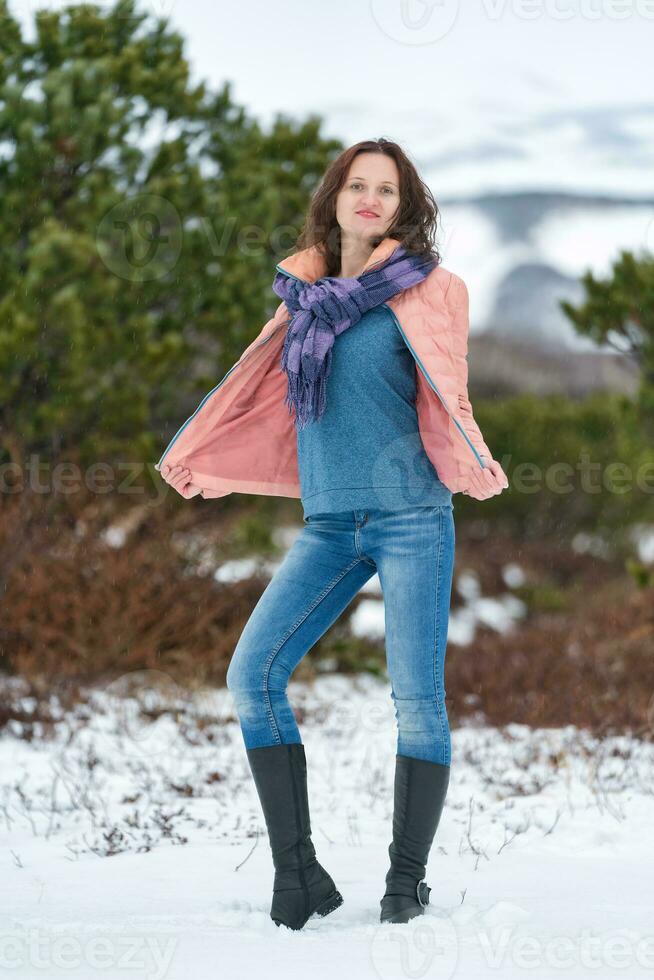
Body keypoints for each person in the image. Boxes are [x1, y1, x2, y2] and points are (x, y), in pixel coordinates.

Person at [159, 138, 509, 930]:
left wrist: (471, 460)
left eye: (387, 189)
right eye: (358, 184)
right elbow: (256, 397)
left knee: (417, 703)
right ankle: (298, 874)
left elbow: (448, 390)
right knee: (253, 677)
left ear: (403, 206)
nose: (371, 198)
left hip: (412, 516)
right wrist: (203, 454)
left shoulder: (429, 289)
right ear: (337, 197)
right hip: (329, 522)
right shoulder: (302, 298)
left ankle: (404, 883)